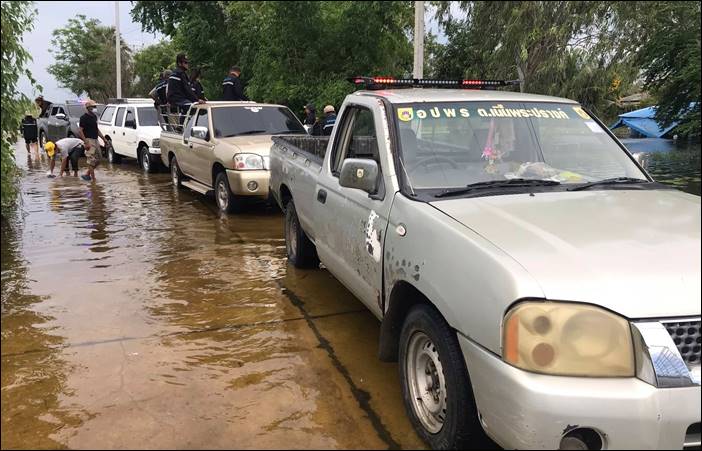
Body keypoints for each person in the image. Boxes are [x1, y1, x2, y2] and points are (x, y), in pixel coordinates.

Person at [167, 54, 203, 126]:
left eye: (188, 63)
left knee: (188, 107)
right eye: (185, 63)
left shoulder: (174, 73)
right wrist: (197, 100)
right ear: (179, 63)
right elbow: (188, 89)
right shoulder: (180, 73)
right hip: (178, 99)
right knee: (194, 108)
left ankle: (182, 125)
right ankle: (187, 126)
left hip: (174, 99)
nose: (187, 65)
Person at [78, 99, 106, 182]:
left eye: (94, 106)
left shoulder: (94, 116)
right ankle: (93, 180)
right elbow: (80, 131)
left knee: (99, 159)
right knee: (90, 160)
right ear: (88, 107)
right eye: (92, 106)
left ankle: (87, 174)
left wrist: (103, 139)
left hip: (95, 139)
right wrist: (86, 142)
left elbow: (96, 129)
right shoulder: (83, 118)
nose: (94, 108)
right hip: (89, 140)